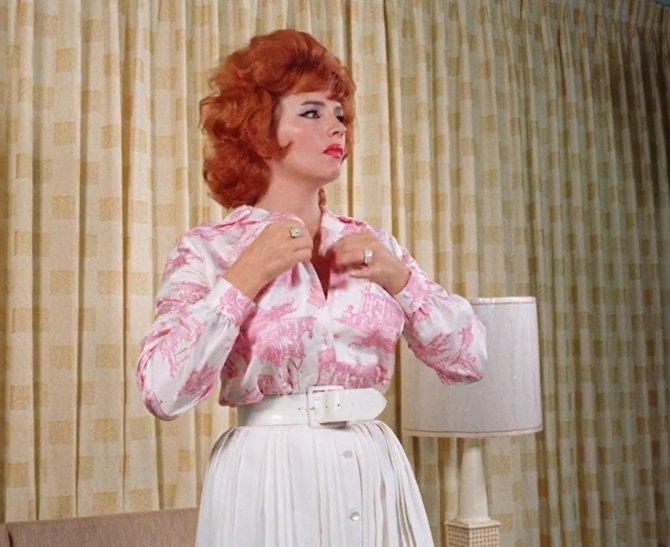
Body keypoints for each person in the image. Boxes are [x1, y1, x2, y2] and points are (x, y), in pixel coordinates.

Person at [136, 29, 486, 547]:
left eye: (339, 113)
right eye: (311, 112)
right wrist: (244, 277)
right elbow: (162, 390)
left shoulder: (374, 246)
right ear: (258, 129)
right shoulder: (210, 250)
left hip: (373, 469)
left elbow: (470, 360)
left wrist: (402, 281)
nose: (336, 126)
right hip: (268, 477)